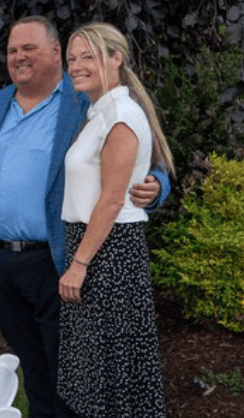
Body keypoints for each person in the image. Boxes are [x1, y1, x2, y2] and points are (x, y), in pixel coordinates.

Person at [0, 16, 170, 418]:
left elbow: (144, 154)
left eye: (29, 49)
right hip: (1, 261)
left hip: (54, 259)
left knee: (71, 376)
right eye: (12, 50)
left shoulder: (84, 101)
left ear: (55, 52)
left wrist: (157, 185)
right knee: (32, 365)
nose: (18, 57)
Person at [57, 23, 172, 417]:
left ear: (115, 59)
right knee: (97, 373)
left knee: (111, 374)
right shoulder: (100, 111)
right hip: (96, 248)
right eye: (71, 58)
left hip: (109, 255)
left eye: (87, 56)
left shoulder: (120, 115)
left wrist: (79, 263)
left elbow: (110, 200)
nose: (76, 66)